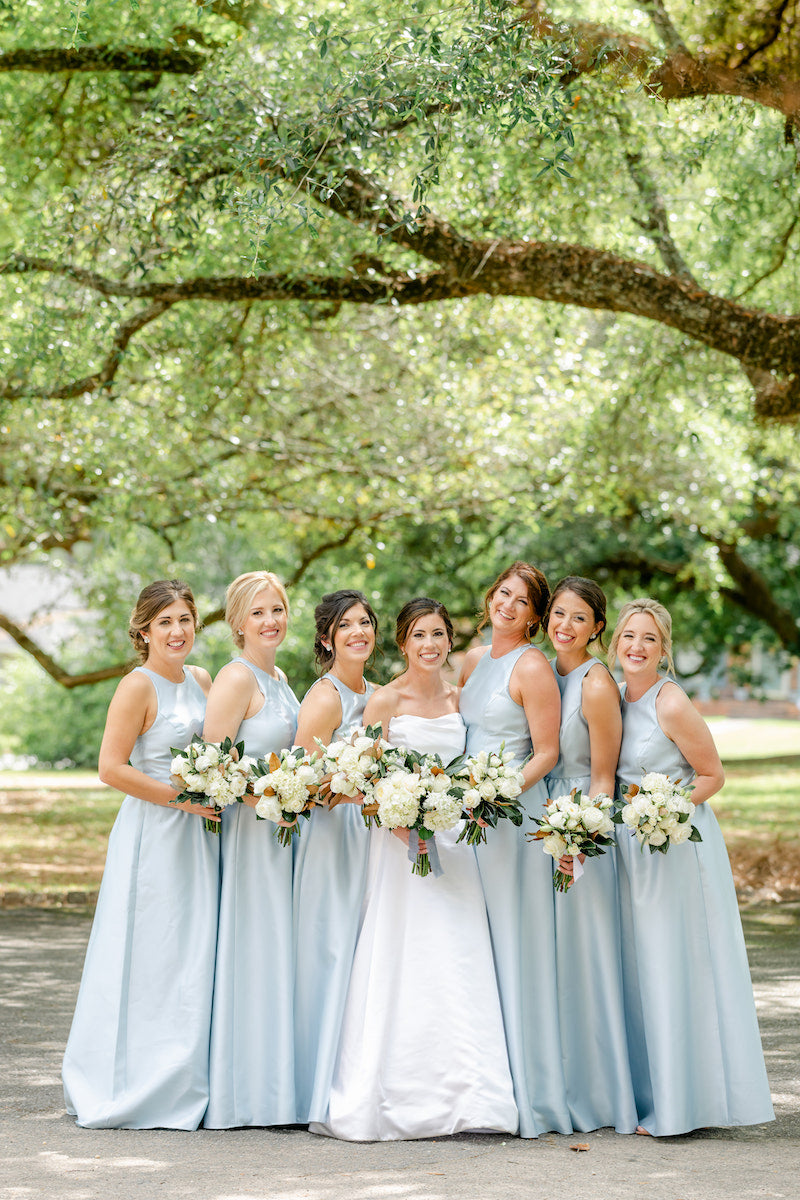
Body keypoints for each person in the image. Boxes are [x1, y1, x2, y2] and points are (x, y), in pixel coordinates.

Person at [312, 598, 518, 1141]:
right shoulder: (384, 700)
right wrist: (408, 825)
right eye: (418, 636)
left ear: (449, 640)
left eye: (438, 635)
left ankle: (472, 1096)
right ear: (402, 643)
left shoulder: (461, 699)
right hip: (397, 846)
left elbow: (469, 772)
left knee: (458, 955)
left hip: (454, 842)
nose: (429, 645)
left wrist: (447, 815)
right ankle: (390, 1093)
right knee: (402, 955)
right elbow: (363, 782)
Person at [609, 598, 774, 1136]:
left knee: (673, 964)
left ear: (664, 649)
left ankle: (682, 1104)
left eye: (649, 639)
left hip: (673, 844)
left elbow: (711, 775)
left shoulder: (670, 701)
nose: (637, 646)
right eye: (630, 636)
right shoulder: (612, 696)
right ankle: (646, 1091)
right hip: (630, 847)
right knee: (640, 969)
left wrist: (662, 811)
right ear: (616, 642)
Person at [62, 580, 218, 1129]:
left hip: (202, 836)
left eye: (185, 620)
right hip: (156, 832)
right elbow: (111, 767)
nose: (177, 632)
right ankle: (134, 1078)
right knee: (150, 950)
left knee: (193, 952)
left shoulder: (201, 680)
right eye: (165, 623)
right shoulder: (137, 685)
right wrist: (187, 800)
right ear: (144, 631)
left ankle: (186, 1076)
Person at [459, 561, 570, 1138]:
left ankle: (532, 1095)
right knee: (475, 945)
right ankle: (482, 1086)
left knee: (513, 942)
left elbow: (545, 752)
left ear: (533, 616)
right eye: (503, 593)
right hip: (467, 817)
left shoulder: (532, 666)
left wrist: (496, 795)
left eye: (522, 601)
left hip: (509, 816)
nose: (507, 605)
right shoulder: (476, 659)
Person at [201, 570, 299, 1128]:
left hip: (283, 832)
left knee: (278, 950)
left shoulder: (280, 676)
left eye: (278, 609)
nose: (271, 621)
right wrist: (267, 788)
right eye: (259, 612)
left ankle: (277, 1082)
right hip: (249, 834)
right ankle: (246, 1090)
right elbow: (214, 768)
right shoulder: (235, 679)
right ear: (239, 622)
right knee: (253, 948)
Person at [544, 577, 636, 1133]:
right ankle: (558, 1084)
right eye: (558, 613)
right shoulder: (546, 670)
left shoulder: (596, 683)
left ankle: (599, 1095)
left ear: (598, 627)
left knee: (585, 958)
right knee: (553, 960)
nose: (566, 626)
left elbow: (605, 775)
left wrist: (580, 840)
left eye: (579, 618)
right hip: (542, 820)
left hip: (582, 826)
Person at [292, 590, 378, 1124]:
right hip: (331, 835)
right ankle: (314, 1083)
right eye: (345, 625)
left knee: (361, 953)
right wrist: (349, 788)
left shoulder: (374, 692)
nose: (357, 632)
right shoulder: (326, 697)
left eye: (364, 622)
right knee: (328, 948)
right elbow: (300, 785)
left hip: (368, 832)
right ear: (327, 638)